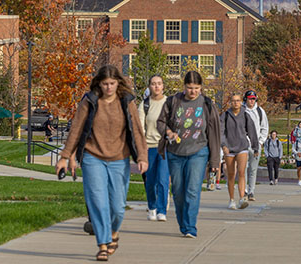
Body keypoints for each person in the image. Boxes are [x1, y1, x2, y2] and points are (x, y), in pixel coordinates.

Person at [56, 65, 148, 262]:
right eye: (105, 84)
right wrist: (65, 156)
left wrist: (142, 157)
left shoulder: (126, 102)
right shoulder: (90, 101)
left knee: (117, 206)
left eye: (112, 83)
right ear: (99, 83)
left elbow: (138, 131)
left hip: (119, 158)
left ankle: (113, 232)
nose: (109, 88)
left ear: (118, 83)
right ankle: (103, 244)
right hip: (92, 157)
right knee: (97, 202)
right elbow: (76, 129)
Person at [157, 71, 221, 238]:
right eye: (190, 88)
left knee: (192, 190)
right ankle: (183, 224)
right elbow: (161, 122)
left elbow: (214, 133)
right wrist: (169, 132)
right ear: (183, 86)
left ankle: (191, 227)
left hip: (198, 151)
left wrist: (215, 160)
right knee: (178, 191)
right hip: (175, 153)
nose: (193, 92)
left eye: (196, 88)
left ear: (201, 88)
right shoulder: (173, 101)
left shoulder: (207, 104)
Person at [138, 75, 169, 222]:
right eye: (153, 84)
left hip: (164, 147)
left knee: (163, 179)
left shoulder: (169, 103)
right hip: (148, 147)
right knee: (150, 180)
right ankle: (152, 207)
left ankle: (162, 210)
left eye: (159, 84)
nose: (156, 86)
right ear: (149, 86)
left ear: (163, 86)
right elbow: (139, 127)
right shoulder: (144, 104)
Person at [220, 93, 258, 210]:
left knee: (242, 173)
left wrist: (255, 147)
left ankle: (242, 199)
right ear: (230, 102)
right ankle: (232, 200)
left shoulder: (245, 115)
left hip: (242, 147)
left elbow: (252, 132)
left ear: (241, 102)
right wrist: (223, 145)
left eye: (237, 101)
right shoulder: (225, 115)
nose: (235, 103)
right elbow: (221, 132)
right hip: (229, 148)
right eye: (233, 101)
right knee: (231, 175)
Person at [243, 90, 269, 202]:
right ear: (246, 99)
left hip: (255, 145)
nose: (251, 101)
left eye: (253, 99)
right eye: (249, 98)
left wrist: (260, 142)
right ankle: (243, 190)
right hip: (243, 145)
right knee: (242, 169)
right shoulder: (241, 110)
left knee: (253, 170)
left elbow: (264, 128)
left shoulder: (260, 112)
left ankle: (251, 191)